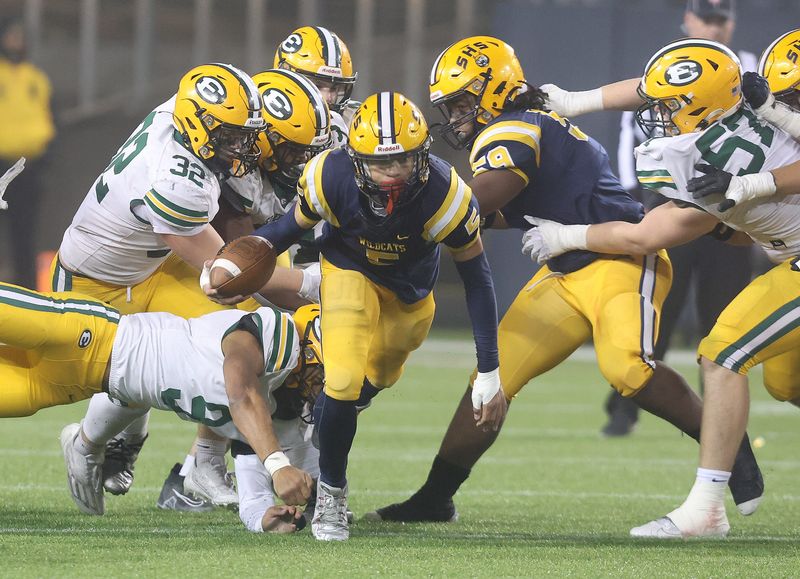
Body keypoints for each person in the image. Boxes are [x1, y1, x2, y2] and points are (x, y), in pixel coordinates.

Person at [368, 36, 763, 526]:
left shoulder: (514, 130)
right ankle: (435, 497)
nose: (455, 117)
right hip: (564, 269)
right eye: (451, 107)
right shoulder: (528, 127)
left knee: (629, 371)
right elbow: (503, 211)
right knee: (491, 384)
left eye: (463, 103)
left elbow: (473, 204)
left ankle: (732, 446)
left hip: (620, 258)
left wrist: (393, 212)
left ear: (494, 90)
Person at [521, 38, 800, 538]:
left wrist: (567, 235)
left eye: (671, 110)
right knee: (786, 383)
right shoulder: (736, 110)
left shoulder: (721, 147)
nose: (658, 114)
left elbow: (647, 235)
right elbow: (659, 90)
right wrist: (575, 101)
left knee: (722, 354)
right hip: (786, 255)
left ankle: (706, 509)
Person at [51, 63, 318, 511]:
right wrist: (321, 286)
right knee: (131, 377)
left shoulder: (182, 109)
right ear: (198, 127)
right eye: (230, 138)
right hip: (97, 283)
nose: (241, 148)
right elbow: (231, 270)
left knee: (238, 332)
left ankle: (201, 463)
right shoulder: (176, 180)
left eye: (244, 135)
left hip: (156, 265)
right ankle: (85, 443)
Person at [253, 91, 502, 540]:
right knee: (342, 379)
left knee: (377, 377)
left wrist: (489, 368)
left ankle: (330, 413)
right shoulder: (330, 175)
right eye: (379, 163)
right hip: (349, 271)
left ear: (422, 156)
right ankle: (331, 494)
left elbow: (478, 281)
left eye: (403, 161)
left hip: (409, 297)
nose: (391, 173)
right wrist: (238, 258)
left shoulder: (446, 195)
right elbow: (285, 229)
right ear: (354, 157)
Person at [0, 281, 322, 532]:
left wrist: (264, 520)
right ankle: (86, 444)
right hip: (94, 335)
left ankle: (84, 445)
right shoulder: (282, 335)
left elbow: (253, 498)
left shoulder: (272, 419)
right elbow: (239, 386)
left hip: (82, 384)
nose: (320, 387)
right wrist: (278, 465)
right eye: (321, 372)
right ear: (310, 344)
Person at [575, 0, 759, 437]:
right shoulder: (672, 64)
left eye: (721, 20)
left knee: (725, 316)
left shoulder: (751, 70)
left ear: (731, 24)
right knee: (658, 308)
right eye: (707, 19)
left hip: (734, 204)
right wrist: (632, 194)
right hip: (673, 198)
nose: (714, 27)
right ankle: (626, 408)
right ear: (689, 20)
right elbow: (631, 130)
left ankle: (719, 415)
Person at [0, 17, 55, 288]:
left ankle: (26, 292)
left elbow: (49, 119)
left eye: (20, 37)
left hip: (26, 169)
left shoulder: (37, 79)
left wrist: (45, 155)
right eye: (11, 36)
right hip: (1, 164)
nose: (16, 43)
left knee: (25, 235)